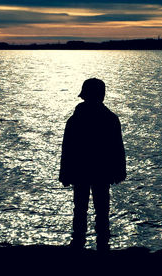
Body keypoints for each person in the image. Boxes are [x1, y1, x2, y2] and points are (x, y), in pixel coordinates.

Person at [59, 78, 126, 252]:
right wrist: (119, 171)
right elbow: (118, 148)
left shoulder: (74, 120)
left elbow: (67, 149)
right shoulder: (111, 119)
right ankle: (102, 245)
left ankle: (79, 244)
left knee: (81, 209)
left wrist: (65, 173)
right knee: (101, 210)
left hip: (81, 171)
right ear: (102, 95)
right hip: (102, 172)